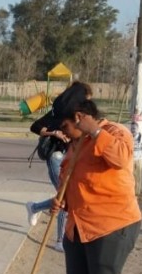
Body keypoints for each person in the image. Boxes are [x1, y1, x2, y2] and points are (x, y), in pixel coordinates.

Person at [44, 98, 142, 274]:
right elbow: (71, 179)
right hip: (78, 225)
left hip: (111, 226)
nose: (62, 132)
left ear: (79, 117)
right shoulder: (75, 144)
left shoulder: (114, 132)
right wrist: (60, 200)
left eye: (64, 126)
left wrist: (95, 132)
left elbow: (122, 159)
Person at [25, 82, 93, 252]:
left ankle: (35, 207)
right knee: (65, 197)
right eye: (86, 99)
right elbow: (35, 126)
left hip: (68, 158)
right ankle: (60, 240)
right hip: (56, 157)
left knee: (65, 196)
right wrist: (54, 132)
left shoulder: (78, 116)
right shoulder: (61, 112)